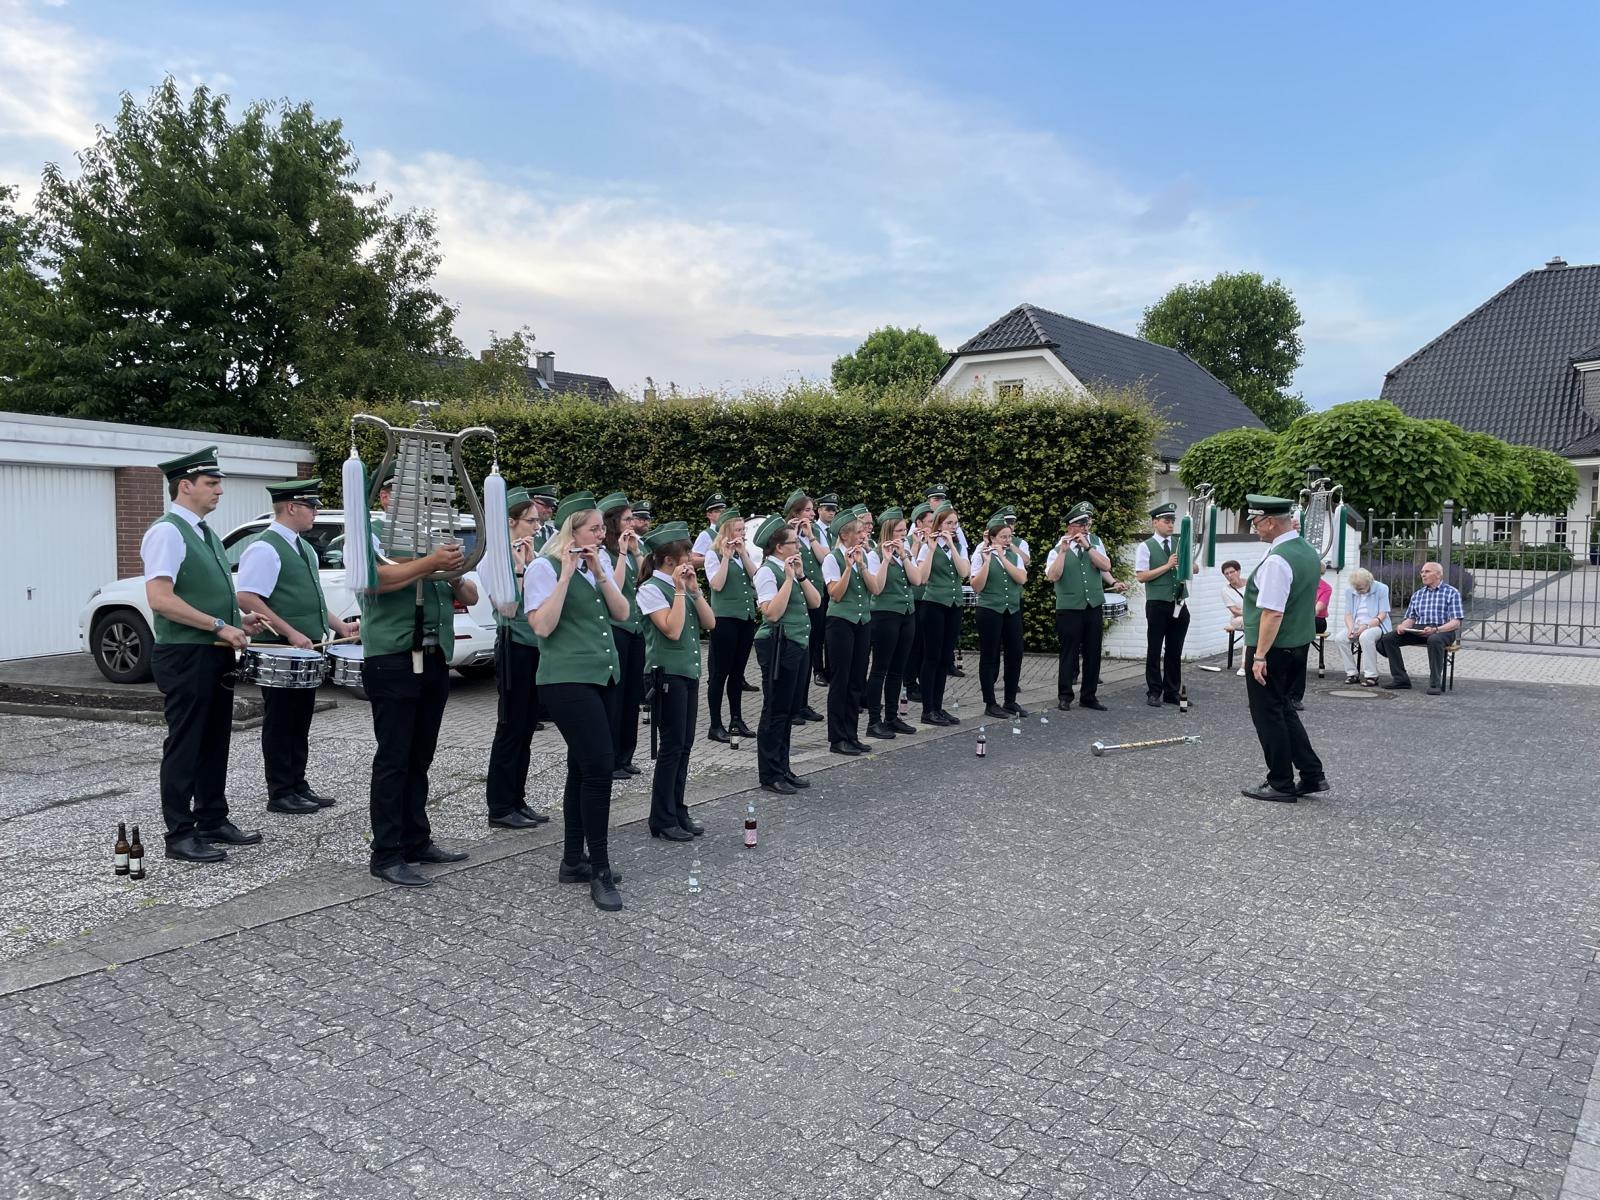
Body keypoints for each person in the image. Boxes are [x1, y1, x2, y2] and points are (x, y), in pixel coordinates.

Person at [142, 447, 265, 864]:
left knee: (214, 740)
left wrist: (238, 621)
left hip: (212, 651)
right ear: (185, 486)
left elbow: (200, 593)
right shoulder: (168, 532)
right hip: (186, 654)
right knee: (187, 743)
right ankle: (179, 834)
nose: (219, 491)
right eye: (211, 483)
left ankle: (212, 818)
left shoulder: (203, 531)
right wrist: (217, 625)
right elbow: (160, 599)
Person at [357, 488, 478, 887]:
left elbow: (471, 594)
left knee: (420, 756)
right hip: (393, 657)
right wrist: (430, 563)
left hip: (433, 657)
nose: (416, 501)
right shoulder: (370, 531)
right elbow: (370, 580)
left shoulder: (431, 538)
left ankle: (415, 839)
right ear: (385, 496)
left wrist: (453, 573)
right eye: (406, 492)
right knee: (394, 758)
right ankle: (386, 852)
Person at [527, 492, 631, 910]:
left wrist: (600, 572)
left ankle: (573, 860)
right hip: (566, 679)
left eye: (602, 528)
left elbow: (622, 613)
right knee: (600, 769)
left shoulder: (598, 563)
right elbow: (542, 627)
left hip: (603, 676)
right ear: (572, 530)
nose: (601, 535)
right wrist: (567, 575)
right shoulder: (543, 567)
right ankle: (599, 869)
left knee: (582, 768)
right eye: (594, 528)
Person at [235, 477, 358, 817]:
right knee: (281, 721)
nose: (315, 512)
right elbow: (247, 597)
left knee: (300, 720)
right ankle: (280, 791)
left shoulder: (303, 546)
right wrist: (289, 632)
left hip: (305, 650)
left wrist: (340, 626)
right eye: (310, 506)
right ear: (291, 507)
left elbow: (313, 599)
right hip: (281, 650)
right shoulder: (265, 547)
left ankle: (297, 784)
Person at [1238, 494, 1328, 803]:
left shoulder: (1278, 559)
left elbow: (1273, 612)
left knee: (1268, 714)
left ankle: (1280, 782)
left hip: (1273, 646)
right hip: (1297, 643)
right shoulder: (1306, 550)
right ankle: (1312, 774)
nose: (1254, 528)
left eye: (1256, 522)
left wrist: (1259, 655)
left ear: (1270, 522)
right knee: (1284, 709)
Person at [636, 521, 714, 839]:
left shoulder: (681, 588)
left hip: (687, 673)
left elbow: (710, 623)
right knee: (671, 747)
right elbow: (672, 629)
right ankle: (662, 818)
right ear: (670, 560)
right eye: (687, 553)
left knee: (684, 746)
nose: (692, 559)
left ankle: (678, 809)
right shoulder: (651, 589)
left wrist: (694, 591)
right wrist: (680, 591)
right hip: (666, 675)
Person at [483, 487, 552, 831]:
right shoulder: (494, 559)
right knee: (510, 726)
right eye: (530, 521)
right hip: (513, 646)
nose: (537, 527)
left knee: (526, 727)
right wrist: (521, 569)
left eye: (538, 520)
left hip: (534, 647)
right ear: (511, 522)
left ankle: (517, 799)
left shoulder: (534, 553)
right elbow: (508, 607)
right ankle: (499, 805)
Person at [751, 515, 821, 793]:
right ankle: (770, 774)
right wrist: (790, 580)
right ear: (779, 547)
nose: (799, 546)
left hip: (796, 644)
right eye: (794, 543)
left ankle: (783, 767)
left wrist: (800, 576)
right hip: (777, 644)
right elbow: (771, 612)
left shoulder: (790, 569)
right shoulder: (767, 572)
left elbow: (815, 602)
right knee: (775, 709)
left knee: (788, 709)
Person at [823, 508, 888, 754]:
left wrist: (861, 565)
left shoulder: (865, 556)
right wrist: (849, 568)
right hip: (840, 622)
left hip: (862, 622)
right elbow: (835, 594)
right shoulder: (832, 559)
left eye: (863, 531)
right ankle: (837, 738)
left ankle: (851, 734)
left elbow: (876, 589)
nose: (864, 535)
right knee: (840, 680)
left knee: (857, 680)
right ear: (845, 535)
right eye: (859, 532)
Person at [1046, 501, 1118, 712]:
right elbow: (1053, 576)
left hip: (1092, 605)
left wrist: (1088, 547)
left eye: (1087, 524)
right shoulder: (1057, 549)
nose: (1086, 528)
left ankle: (1089, 696)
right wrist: (1063, 552)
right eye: (1081, 525)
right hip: (1069, 607)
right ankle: (1065, 696)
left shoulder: (1095, 543)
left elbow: (1105, 566)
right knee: (1069, 653)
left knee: (1093, 652)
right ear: (1070, 527)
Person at [863, 507, 928, 740]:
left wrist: (905, 555)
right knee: (880, 668)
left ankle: (892, 717)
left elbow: (917, 580)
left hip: (906, 613)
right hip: (884, 615)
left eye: (904, 530)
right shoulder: (874, 554)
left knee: (898, 669)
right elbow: (877, 588)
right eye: (899, 531)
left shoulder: (905, 551)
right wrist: (887, 558)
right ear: (889, 532)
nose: (903, 534)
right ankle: (874, 721)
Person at [599, 493, 646, 779]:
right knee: (616, 694)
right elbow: (614, 588)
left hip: (636, 628)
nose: (632, 523)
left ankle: (626, 754)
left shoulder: (633, 547)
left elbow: (646, 579)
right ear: (614, 522)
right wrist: (623, 553)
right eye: (627, 519)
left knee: (632, 695)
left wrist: (637, 552)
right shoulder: (605, 553)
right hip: (617, 629)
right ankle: (612, 758)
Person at [704, 506, 760, 743]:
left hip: (745, 618)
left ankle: (736, 719)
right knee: (720, 673)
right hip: (724, 620)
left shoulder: (742, 554)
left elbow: (756, 577)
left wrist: (743, 554)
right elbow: (716, 584)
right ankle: (715, 724)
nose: (743, 534)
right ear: (727, 531)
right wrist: (726, 557)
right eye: (739, 530)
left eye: (743, 530)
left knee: (737, 673)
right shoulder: (713, 554)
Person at [970, 515, 1030, 719]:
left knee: (1015, 653)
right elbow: (977, 586)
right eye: (1003, 537)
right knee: (989, 655)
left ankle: (1010, 700)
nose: (1007, 540)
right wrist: (988, 561)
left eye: (1009, 536)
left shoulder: (1013, 556)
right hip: (989, 609)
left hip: (1011, 609)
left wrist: (1003, 557)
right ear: (992, 538)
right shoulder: (980, 555)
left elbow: (1021, 578)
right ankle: (990, 702)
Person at [917, 503, 970, 726]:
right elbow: (922, 577)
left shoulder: (958, 546)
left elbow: (964, 572)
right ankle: (927, 709)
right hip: (933, 604)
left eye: (955, 523)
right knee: (932, 656)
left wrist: (952, 546)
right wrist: (931, 548)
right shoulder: (927, 547)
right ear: (939, 524)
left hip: (954, 604)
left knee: (945, 657)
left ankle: (938, 706)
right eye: (949, 523)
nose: (953, 527)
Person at [1135, 502, 1191, 708]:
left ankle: (1172, 692)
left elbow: (1193, 568)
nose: (1171, 525)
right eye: (1166, 521)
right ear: (1155, 523)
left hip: (1179, 602)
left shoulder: (1179, 542)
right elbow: (1141, 576)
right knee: (1154, 649)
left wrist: (1188, 563)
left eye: (1172, 521)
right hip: (1157, 604)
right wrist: (1167, 566)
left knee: (1175, 651)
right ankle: (1154, 691)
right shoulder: (1146, 546)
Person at [1377, 562, 1463, 695]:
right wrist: (1403, 626)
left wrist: (1436, 630)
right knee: (1388, 638)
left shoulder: (1452, 593)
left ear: (1438, 575)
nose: (1423, 574)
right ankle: (1401, 679)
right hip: (1420, 630)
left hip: (1443, 630)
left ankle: (1435, 684)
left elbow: (1456, 622)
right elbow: (1411, 618)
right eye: (1422, 572)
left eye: (1427, 571)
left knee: (1434, 640)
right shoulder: (1418, 594)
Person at [782, 489, 827, 724]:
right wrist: (793, 532)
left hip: (814, 594)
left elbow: (825, 558)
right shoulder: (784, 532)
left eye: (812, 510)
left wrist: (810, 536)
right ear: (795, 512)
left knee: (810, 650)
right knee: (796, 652)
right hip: (794, 597)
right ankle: (791, 706)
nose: (812, 514)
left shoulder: (815, 532)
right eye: (807, 510)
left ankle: (802, 702)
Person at [1289, 563, 1337, 711]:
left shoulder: (1325, 588)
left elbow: (1318, 609)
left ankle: (1295, 697)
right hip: (1296, 620)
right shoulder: (1298, 585)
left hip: (1315, 620)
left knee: (1299, 655)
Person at [902, 502, 934, 705]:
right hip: (914, 597)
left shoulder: (935, 539)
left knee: (924, 643)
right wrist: (917, 544)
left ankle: (922, 681)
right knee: (914, 644)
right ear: (919, 523)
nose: (933, 525)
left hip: (929, 597)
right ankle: (909, 683)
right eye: (930, 521)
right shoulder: (907, 541)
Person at [1337, 567, 1393, 686]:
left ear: (1369, 583)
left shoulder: (1382, 588)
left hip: (1376, 625)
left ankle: (1372, 675)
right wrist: (1350, 629)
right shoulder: (1350, 591)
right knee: (1340, 638)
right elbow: (1348, 614)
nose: (1358, 591)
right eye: (1356, 589)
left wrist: (1366, 626)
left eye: (1361, 589)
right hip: (1357, 625)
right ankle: (1352, 673)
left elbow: (1382, 614)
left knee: (1365, 637)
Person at [810, 492, 839, 686]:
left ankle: (830, 668)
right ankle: (818, 669)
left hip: (832, 584)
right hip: (818, 584)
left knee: (831, 630)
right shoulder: (813, 529)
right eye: (828, 509)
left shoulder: (835, 531)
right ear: (819, 510)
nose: (831, 513)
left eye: (834, 510)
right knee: (817, 631)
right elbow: (824, 557)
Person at [691, 493, 728, 570]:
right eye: (718, 511)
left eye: (723, 511)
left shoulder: (731, 531)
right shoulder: (706, 535)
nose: (722, 514)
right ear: (709, 515)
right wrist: (714, 558)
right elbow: (693, 560)